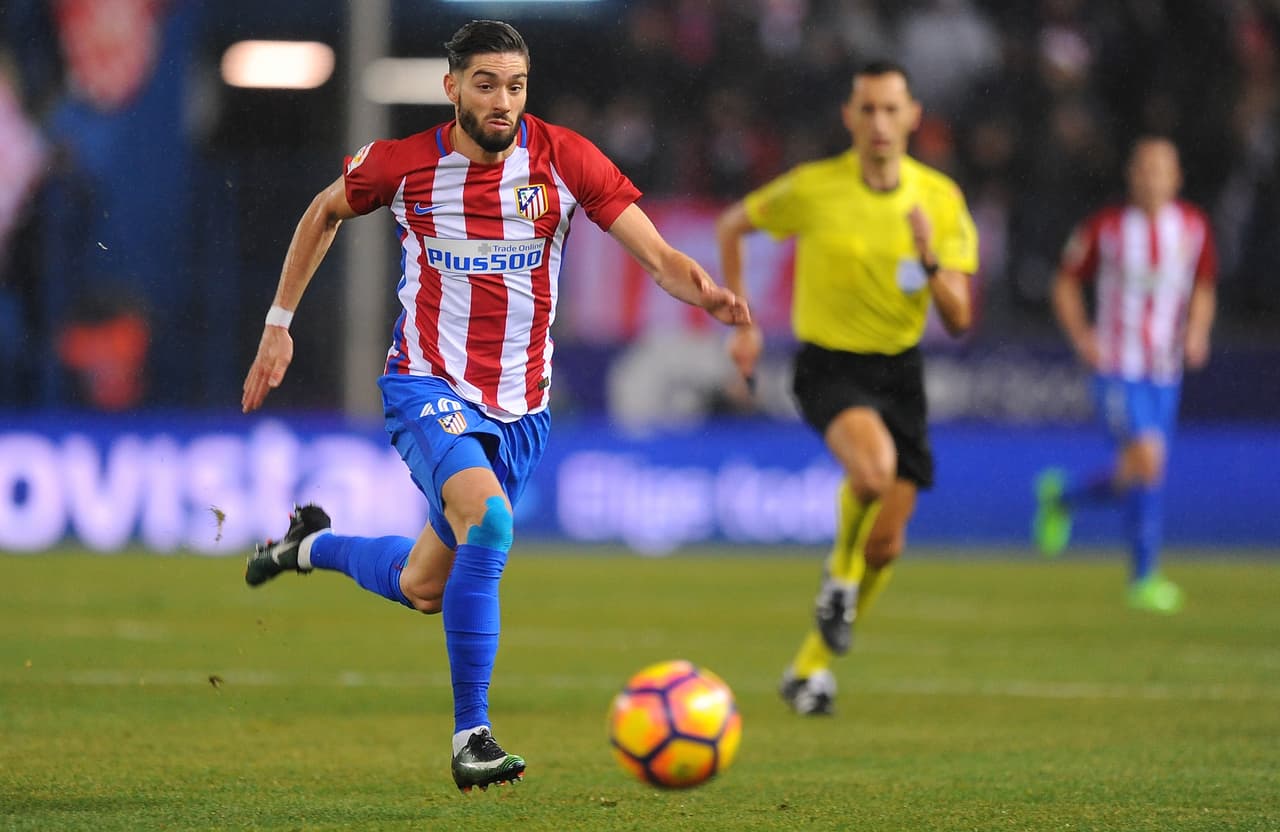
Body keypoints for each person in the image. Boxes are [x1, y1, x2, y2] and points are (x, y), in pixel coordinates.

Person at [239, 20, 750, 792]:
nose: (503, 100)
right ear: (452, 88)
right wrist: (279, 323)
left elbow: (659, 258)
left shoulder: (564, 159)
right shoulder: (404, 165)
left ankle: (306, 546)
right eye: (485, 84)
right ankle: (470, 736)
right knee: (493, 521)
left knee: (422, 586)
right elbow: (323, 211)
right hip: (427, 386)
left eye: (515, 85)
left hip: (522, 412)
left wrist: (706, 293)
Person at [715, 61, 978, 716]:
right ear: (849, 118)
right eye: (868, 109)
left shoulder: (940, 199)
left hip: (901, 373)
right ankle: (838, 579)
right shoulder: (815, 187)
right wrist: (743, 323)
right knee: (873, 471)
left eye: (891, 109)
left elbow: (960, 318)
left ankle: (807, 671)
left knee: (885, 546)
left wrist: (930, 259)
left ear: (913, 117)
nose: (880, 122)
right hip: (830, 367)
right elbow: (732, 226)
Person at [1033, 136, 1216, 615]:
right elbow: (1065, 282)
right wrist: (1082, 337)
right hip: (1116, 367)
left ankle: (1064, 498)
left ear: (1176, 177)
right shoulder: (1107, 228)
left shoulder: (1193, 227)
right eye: (1144, 169)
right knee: (1148, 460)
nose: (1152, 178)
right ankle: (1144, 580)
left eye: (1161, 169)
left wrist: (1197, 331)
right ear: (1131, 176)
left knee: (1139, 471)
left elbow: (1203, 285)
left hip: (1165, 372)